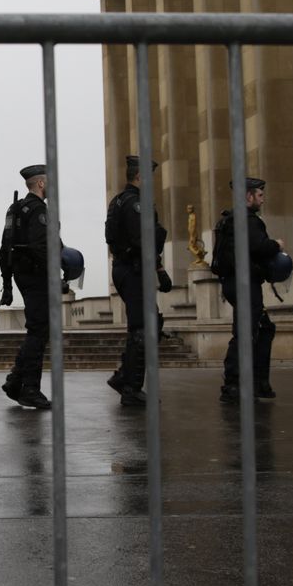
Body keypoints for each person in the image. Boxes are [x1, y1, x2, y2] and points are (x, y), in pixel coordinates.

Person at [104, 155, 168, 408]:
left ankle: (124, 378)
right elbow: (144, 240)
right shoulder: (136, 204)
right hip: (133, 268)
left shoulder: (118, 201)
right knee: (143, 329)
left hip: (124, 267)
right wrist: (158, 268)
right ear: (139, 177)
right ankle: (130, 387)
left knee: (144, 325)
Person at [211, 177, 281, 403]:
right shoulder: (248, 220)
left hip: (234, 282)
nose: (263, 199)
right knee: (246, 333)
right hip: (244, 283)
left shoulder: (229, 220)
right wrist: (277, 245)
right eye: (260, 195)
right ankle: (234, 385)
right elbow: (260, 247)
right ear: (248, 196)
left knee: (263, 328)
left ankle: (258, 383)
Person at [0, 164, 59, 409]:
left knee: (37, 329)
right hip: (37, 275)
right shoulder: (38, 210)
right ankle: (30, 389)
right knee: (39, 331)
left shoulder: (15, 209)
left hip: (22, 275)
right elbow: (41, 247)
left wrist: (7, 284)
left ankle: (15, 382)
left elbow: (4, 248)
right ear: (42, 184)